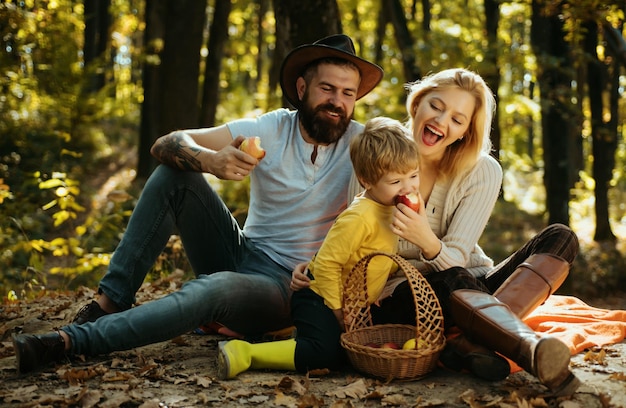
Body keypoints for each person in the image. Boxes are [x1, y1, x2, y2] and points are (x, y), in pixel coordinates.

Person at [11, 34, 384, 374]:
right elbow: (167, 143)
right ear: (302, 88)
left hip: (287, 285)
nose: (337, 102)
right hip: (241, 250)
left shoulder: (361, 145)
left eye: (348, 93)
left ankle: (70, 341)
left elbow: (405, 173)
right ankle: (109, 304)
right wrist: (211, 161)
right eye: (327, 88)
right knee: (176, 173)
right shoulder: (272, 127)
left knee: (211, 290)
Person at [292, 68, 581, 396]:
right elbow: (354, 239)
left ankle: (468, 340)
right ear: (417, 105)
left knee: (560, 237)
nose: (442, 122)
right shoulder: (378, 153)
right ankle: (528, 348)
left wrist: (424, 237)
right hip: (404, 296)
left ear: (465, 132)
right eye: (437, 106)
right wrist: (315, 267)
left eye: (458, 119)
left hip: (472, 284)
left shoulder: (482, 171)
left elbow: (458, 256)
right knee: (451, 280)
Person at [216, 116, 420, 380]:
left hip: (347, 302)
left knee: (352, 352)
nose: (409, 187)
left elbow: (373, 255)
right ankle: (246, 351)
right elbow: (326, 264)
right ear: (367, 180)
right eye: (396, 182)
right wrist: (338, 313)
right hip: (320, 296)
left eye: (414, 175)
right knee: (326, 355)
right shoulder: (360, 217)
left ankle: (289, 335)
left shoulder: (390, 208)